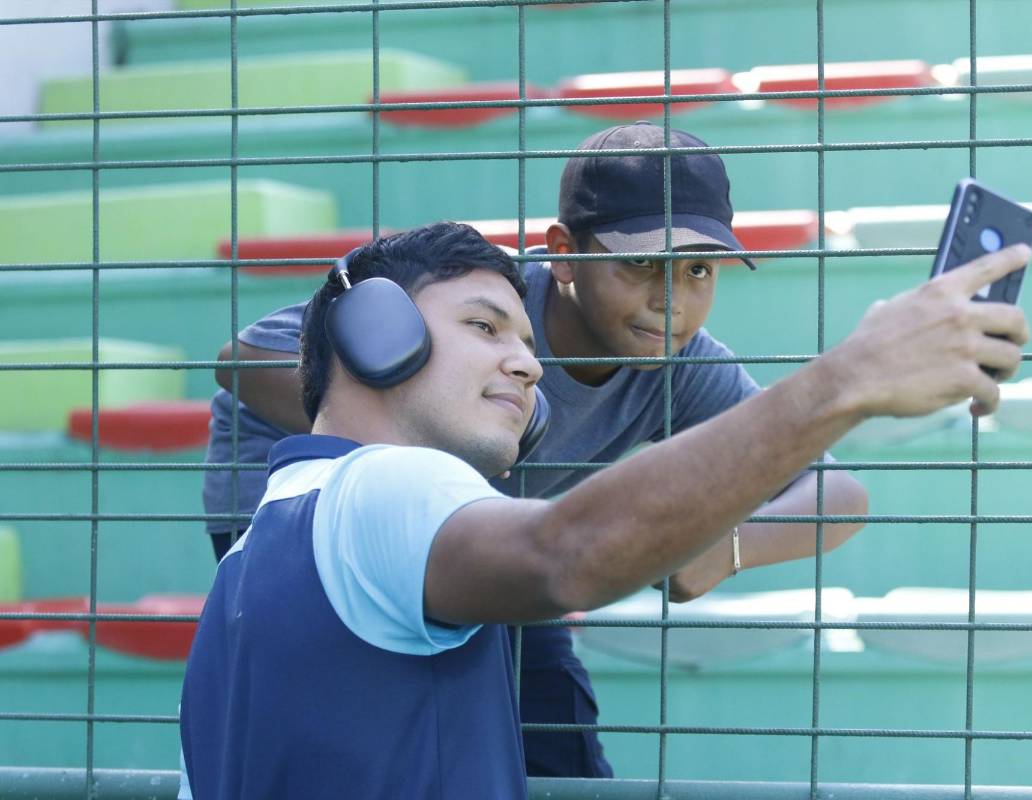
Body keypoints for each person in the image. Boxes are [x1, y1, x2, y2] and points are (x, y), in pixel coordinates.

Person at [181, 220, 1032, 799]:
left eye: (524, 339)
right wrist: (847, 380)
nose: (523, 365)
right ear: (376, 335)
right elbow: (567, 555)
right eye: (485, 327)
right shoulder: (390, 489)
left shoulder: (268, 535)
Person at [202, 122, 869, 778]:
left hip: (497, 532)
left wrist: (729, 548)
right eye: (639, 261)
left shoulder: (685, 365)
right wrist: (430, 435)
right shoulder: (481, 301)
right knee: (372, 728)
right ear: (562, 250)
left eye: (699, 269)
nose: (671, 300)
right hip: (312, 522)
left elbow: (839, 494)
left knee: (558, 747)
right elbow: (241, 362)